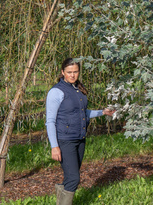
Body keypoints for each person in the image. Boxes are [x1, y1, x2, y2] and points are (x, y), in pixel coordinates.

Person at [45, 58, 114, 205]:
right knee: (74, 178)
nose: (72, 75)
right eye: (69, 72)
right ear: (62, 72)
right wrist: (54, 146)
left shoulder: (78, 89)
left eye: (75, 72)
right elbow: (50, 121)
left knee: (70, 177)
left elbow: (83, 113)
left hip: (80, 138)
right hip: (65, 140)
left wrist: (102, 112)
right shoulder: (56, 91)